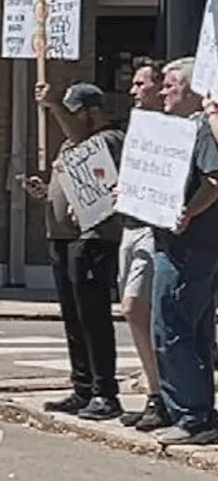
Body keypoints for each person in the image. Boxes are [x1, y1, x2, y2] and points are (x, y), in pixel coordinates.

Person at [26, 82, 124, 421]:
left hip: (93, 237)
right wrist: (46, 192)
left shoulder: (107, 140)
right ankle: (82, 386)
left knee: (93, 316)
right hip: (64, 238)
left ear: (92, 112)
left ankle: (104, 391)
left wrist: (53, 104)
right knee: (72, 316)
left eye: (72, 112)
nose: (64, 119)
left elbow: (91, 158)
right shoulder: (70, 144)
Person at [152, 57, 219, 446]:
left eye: (170, 84)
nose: (163, 91)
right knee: (189, 331)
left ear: (193, 91)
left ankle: (193, 417)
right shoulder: (177, 132)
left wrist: (188, 212)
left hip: (189, 248)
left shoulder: (199, 132)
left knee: (173, 328)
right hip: (181, 245)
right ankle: (196, 413)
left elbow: (214, 180)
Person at [115, 58, 168, 431]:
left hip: (154, 228)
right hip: (130, 224)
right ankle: (154, 390)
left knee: (137, 306)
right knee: (130, 308)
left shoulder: (174, 129)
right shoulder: (135, 128)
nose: (134, 91)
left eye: (140, 84)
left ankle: (163, 393)